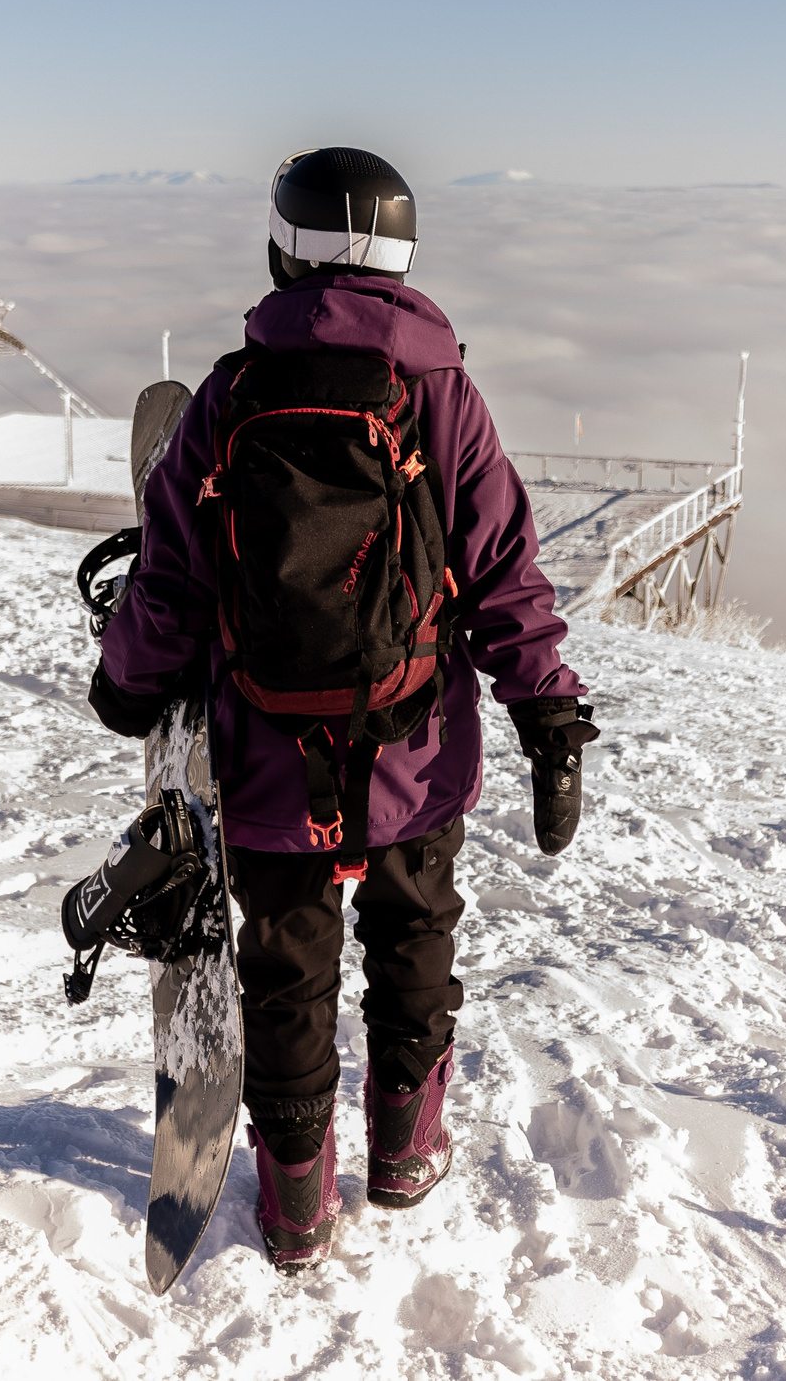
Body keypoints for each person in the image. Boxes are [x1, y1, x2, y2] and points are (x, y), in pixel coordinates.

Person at [90, 146, 597, 1271]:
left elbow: (171, 583)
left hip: (270, 765)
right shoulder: (441, 396)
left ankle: (294, 1209)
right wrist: (549, 714)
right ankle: (408, 1157)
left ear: (285, 248)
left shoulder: (227, 397)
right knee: (415, 945)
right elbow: (503, 569)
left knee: (284, 977)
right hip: (413, 752)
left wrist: (125, 685)